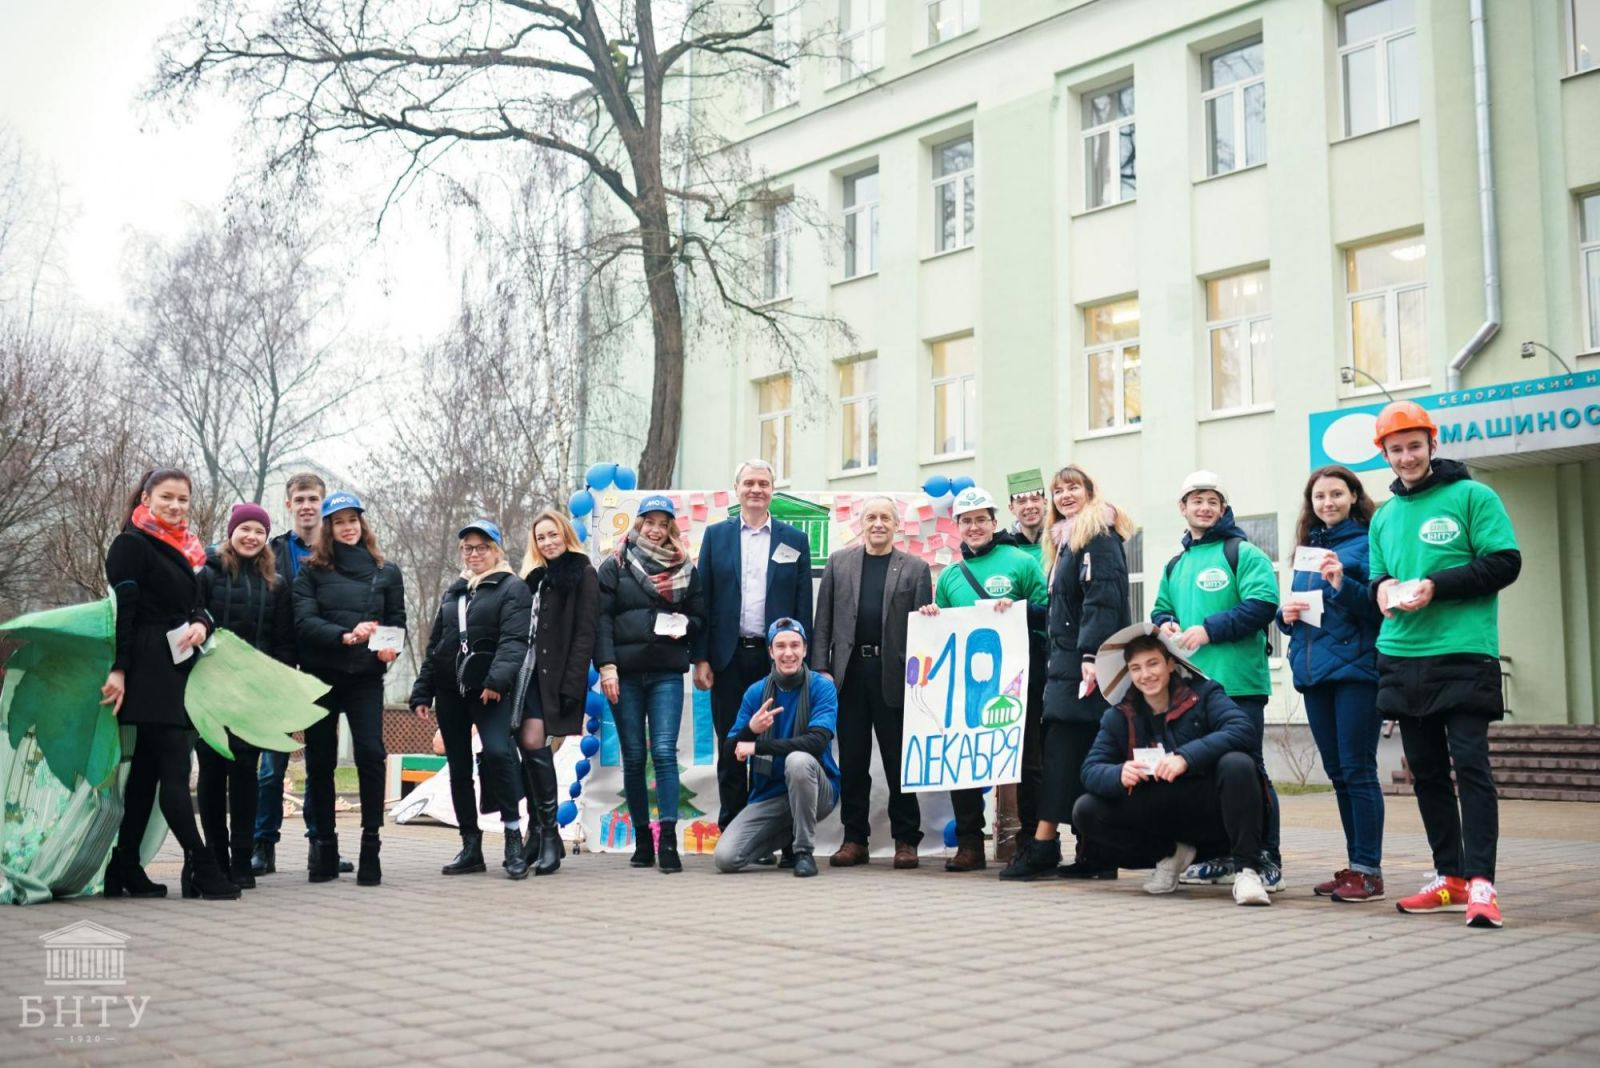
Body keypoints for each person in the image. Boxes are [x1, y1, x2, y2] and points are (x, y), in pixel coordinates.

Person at [1366, 401, 1521, 929]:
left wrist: (1437, 586)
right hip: (1402, 654)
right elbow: (1379, 579)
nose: (1406, 457)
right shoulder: (1384, 516)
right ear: (1384, 454)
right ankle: (1448, 878)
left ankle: (1482, 884)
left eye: (1414, 446)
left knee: (1471, 767)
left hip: (1463, 650)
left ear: (1432, 444)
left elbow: (1504, 562)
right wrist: (1383, 589)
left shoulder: (1473, 495)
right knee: (1427, 773)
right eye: (1395, 449)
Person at [100, 468, 239, 901]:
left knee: (146, 773)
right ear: (146, 497)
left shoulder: (185, 548)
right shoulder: (130, 544)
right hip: (147, 665)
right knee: (175, 770)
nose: (176, 506)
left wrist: (200, 623)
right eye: (167, 498)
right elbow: (125, 611)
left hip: (178, 662)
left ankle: (124, 868)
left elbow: (198, 606)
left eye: (183, 499)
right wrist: (120, 669)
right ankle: (203, 867)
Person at [1072, 624, 1272, 906]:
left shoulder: (1204, 693)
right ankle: (1170, 855)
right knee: (1086, 809)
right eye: (1137, 668)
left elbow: (1242, 729)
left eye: (1153, 663)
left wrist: (1186, 758)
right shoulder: (1120, 714)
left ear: (1170, 664)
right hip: (1159, 811)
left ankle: (1247, 872)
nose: (1146, 675)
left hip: (1210, 811)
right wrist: (1119, 773)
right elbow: (1090, 769)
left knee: (1237, 764)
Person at [1151, 470, 1283, 891]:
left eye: (1212, 501)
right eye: (1196, 500)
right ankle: (1225, 855)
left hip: (1239, 683)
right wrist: (1167, 624)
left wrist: (1209, 629)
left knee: (1249, 769)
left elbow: (1263, 604)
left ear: (1223, 509)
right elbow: (1159, 610)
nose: (1204, 507)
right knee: (1205, 773)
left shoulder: (1242, 552)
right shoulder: (1176, 564)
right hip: (1192, 689)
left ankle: (1267, 858)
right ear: (1182, 508)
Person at [1002, 466, 1134, 881]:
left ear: (1090, 492)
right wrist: (1016, 611)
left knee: (1063, 755)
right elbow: (1065, 611)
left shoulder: (1097, 538)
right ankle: (1096, 852)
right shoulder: (1067, 543)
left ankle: (1042, 846)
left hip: (1086, 671)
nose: (1064, 495)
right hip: (1067, 668)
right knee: (1078, 757)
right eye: (1058, 490)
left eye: (1072, 487)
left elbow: (1102, 602)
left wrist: (1092, 656)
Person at [919, 486, 1048, 872]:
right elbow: (943, 633)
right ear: (957, 526)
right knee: (964, 756)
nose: (974, 527)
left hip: (1020, 679)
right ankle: (970, 844)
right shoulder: (951, 577)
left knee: (1026, 761)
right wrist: (931, 615)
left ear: (994, 522)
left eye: (981, 520)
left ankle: (1029, 844)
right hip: (968, 686)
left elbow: (1048, 613)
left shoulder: (1021, 561)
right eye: (967, 521)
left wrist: (1019, 611)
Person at [1278, 466, 1385, 903]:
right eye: (1319, 497)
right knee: (1339, 774)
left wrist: (1342, 583)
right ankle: (1353, 867)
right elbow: (1305, 614)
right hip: (1314, 673)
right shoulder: (1307, 549)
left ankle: (1369, 871)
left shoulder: (1369, 543)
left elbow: (1377, 609)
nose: (1328, 503)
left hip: (1357, 673)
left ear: (1354, 496)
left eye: (1336, 494)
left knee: (1358, 771)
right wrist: (1282, 618)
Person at [810, 496, 933, 869]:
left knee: (899, 761)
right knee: (853, 761)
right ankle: (854, 838)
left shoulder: (915, 568)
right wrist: (822, 669)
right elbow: (824, 621)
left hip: (894, 675)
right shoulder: (838, 563)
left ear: (897, 525)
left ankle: (906, 840)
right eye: (871, 517)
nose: (878, 523)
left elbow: (923, 629)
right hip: (849, 676)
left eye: (885, 518)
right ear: (860, 523)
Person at [692, 459, 813, 833]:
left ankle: (769, 832)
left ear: (772, 491)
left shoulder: (795, 539)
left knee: (773, 745)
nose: (756, 489)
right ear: (737, 489)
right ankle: (732, 829)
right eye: (749, 483)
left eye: (763, 483)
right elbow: (703, 600)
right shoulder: (716, 536)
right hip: (727, 659)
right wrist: (701, 658)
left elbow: (802, 603)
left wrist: (798, 657)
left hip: (775, 661)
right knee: (732, 744)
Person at [291, 490, 406, 886]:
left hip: (364, 680)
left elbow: (397, 622)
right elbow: (303, 623)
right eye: (339, 522)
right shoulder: (310, 571)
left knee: (372, 755)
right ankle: (324, 849)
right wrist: (345, 635)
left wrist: (389, 647)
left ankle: (370, 845)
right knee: (320, 763)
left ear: (362, 524)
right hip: (322, 677)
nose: (348, 528)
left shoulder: (386, 570)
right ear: (328, 528)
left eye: (353, 520)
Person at [410, 519, 533, 879]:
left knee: (497, 753)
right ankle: (470, 845)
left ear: (496, 550)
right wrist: (423, 690)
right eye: (468, 548)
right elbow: (437, 646)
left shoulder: (512, 587)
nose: (474, 553)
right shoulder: (455, 591)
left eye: (482, 547)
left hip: (489, 691)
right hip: (450, 691)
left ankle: (512, 836)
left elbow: (515, 639)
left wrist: (496, 680)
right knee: (459, 767)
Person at [595, 495, 705, 874]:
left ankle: (669, 840)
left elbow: (700, 615)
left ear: (671, 527)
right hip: (623, 675)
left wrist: (684, 627)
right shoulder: (615, 565)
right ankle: (643, 840)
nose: (655, 530)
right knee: (633, 755)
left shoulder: (685, 567)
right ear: (638, 524)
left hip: (665, 673)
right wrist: (606, 667)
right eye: (649, 522)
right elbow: (602, 621)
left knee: (662, 751)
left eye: (663, 523)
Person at [196, 503, 296, 891]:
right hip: (211, 689)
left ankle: (241, 860)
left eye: (259, 530)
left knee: (245, 775)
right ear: (232, 532)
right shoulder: (207, 574)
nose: (251, 536)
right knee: (210, 773)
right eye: (245, 529)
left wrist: (277, 685)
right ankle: (215, 857)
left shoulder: (277, 584)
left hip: (253, 695)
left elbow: (285, 643)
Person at [253, 473, 344, 877]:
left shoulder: (342, 552)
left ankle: (320, 844)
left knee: (319, 764)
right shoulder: (272, 553)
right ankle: (262, 846)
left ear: (323, 505)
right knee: (272, 763)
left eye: (314, 499)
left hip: (324, 669)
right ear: (289, 505)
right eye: (300, 499)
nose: (307, 505)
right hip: (280, 669)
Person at [713, 619, 840, 878]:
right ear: (770, 651)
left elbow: (817, 741)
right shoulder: (755, 692)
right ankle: (786, 839)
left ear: (805, 649)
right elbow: (729, 752)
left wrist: (757, 745)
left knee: (798, 761)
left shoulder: (822, 687)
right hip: (770, 795)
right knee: (726, 858)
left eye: (795, 645)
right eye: (780, 646)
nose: (788, 653)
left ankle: (803, 851)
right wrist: (751, 729)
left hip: (818, 791)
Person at [512, 508, 599, 876]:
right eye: (541, 537)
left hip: (555, 677)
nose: (548, 542)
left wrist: (571, 684)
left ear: (566, 534)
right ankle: (537, 832)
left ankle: (550, 834)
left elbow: (584, 635)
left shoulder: (582, 573)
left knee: (535, 743)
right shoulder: (532, 579)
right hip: (524, 674)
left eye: (553, 535)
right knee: (525, 745)